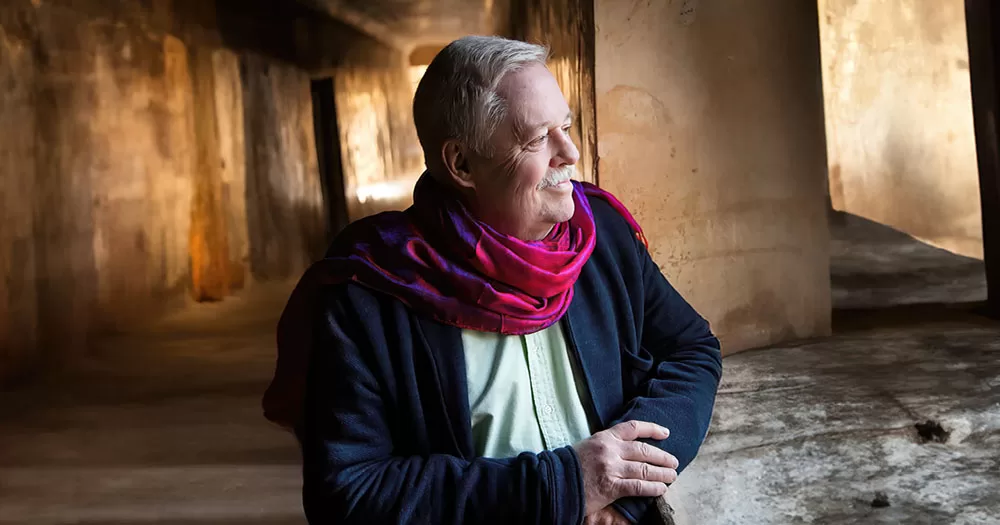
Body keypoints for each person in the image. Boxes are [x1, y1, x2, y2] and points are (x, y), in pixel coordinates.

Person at [262, 35, 722, 525]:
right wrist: (564, 486)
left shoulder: (601, 236)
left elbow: (691, 349)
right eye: (538, 137)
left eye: (565, 127)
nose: (568, 152)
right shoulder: (372, 288)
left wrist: (622, 492)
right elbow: (348, 492)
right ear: (462, 164)